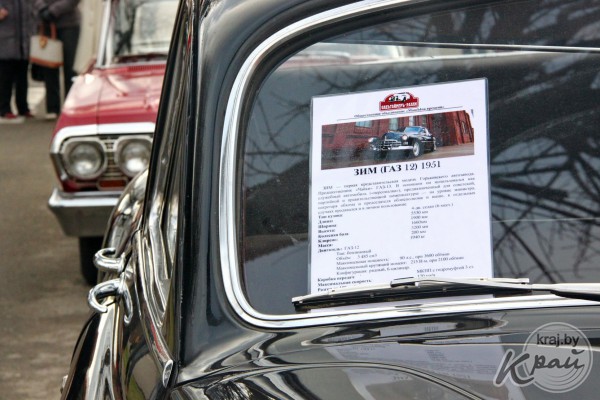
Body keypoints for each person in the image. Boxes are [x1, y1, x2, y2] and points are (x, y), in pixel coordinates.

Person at [33, 0, 80, 119]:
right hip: (46, 23)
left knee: (71, 67)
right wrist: (42, 8)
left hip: (69, 24)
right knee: (49, 66)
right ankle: (52, 107)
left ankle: (71, 105)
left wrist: (54, 10)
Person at [0, 0, 34, 124]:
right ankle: (4, 108)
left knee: (22, 76)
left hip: (23, 41)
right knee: (5, 78)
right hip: (5, 41)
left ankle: (23, 107)